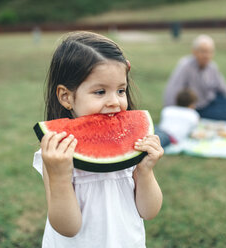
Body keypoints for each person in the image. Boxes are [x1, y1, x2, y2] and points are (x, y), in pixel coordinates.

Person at [32, 31, 163, 247]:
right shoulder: (56, 154)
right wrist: (59, 177)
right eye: (100, 92)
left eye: (121, 90)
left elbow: (149, 212)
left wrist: (146, 171)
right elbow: (68, 227)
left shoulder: (131, 145)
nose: (115, 101)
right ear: (66, 96)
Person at [163, 34, 226, 121]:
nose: (206, 55)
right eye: (203, 51)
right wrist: (171, 114)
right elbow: (172, 91)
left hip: (213, 101)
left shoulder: (212, 67)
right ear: (194, 52)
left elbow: (224, 89)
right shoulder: (185, 66)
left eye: (210, 52)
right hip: (198, 108)